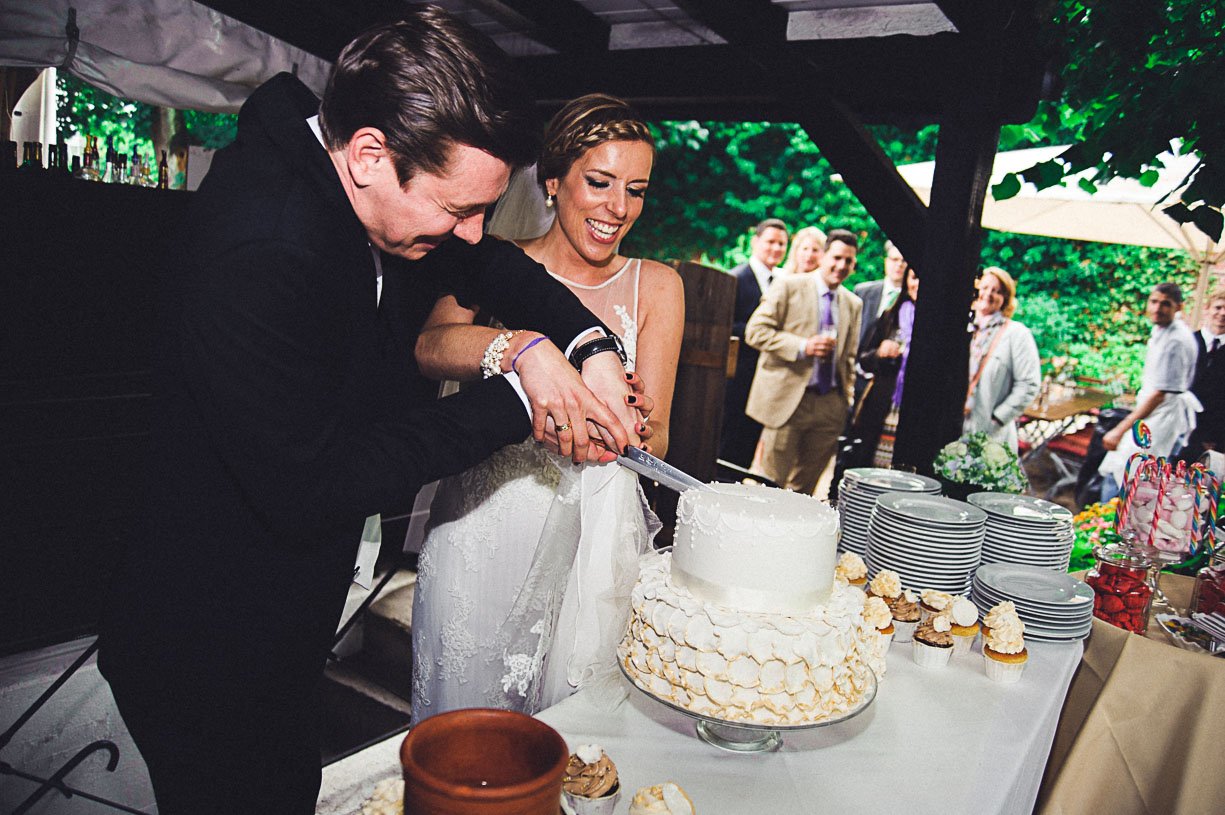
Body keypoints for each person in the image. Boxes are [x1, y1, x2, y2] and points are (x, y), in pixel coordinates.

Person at [96, 10, 638, 813]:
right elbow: (314, 479)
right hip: (204, 637)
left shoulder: (358, 182)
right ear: (368, 154)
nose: (472, 231)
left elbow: (491, 263)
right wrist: (521, 393)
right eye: (457, 209)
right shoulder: (262, 251)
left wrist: (585, 342)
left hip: (279, 618)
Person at [410, 94, 684, 721]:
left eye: (636, 190)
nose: (619, 208)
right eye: (600, 182)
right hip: (487, 518)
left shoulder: (659, 286)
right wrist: (519, 350)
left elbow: (660, 436)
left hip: (595, 530)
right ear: (554, 181)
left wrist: (630, 428)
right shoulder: (493, 260)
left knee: (574, 732)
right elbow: (429, 346)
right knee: (467, 723)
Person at [744, 229, 862, 495]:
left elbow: (850, 357)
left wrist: (846, 400)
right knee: (770, 486)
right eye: (837, 258)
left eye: (849, 261)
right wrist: (802, 346)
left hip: (830, 406)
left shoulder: (853, 303)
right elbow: (755, 331)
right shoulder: (789, 285)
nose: (841, 266)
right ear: (824, 256)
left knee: (804, 492)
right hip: (789, 401)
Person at [1099, 282, 1201, 499]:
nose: (1157, 308)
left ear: (1179, 307)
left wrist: (1120, 429)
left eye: (1166, 304)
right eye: (1154, 302)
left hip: (1162, 417)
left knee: (1125, 473)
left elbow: (1159, 394)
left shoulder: (1176, 339)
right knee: (1126, 473)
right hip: (1156, 413)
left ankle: (1107, 527)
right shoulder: (1162, 330)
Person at [719, 218, 789, 468]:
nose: (776, 248)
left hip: (766, 380)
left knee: (747, 449)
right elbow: (723, 325)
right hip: (737, 378)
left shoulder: (782, 282)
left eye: (782, 244)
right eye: (770, 242)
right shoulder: (735, 278)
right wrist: (760, 331)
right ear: (755, 242)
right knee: (728, 445)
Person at [842, 265, 920, 471]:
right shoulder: (891, 315)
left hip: (914, 409)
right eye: (913, 278)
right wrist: (880, 353)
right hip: (882, 405)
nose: (917, 284)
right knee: (869, 464)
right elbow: (864, 358)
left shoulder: (940, 325)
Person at [963, 266, 1041, 453]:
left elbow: (1029, 384)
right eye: (984, 287)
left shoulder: (1017, 334)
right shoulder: (961, 324)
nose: (988, 294)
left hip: (990, 437)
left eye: (997, 291)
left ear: (1005, 299)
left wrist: (996, 419)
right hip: (952, 428)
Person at [1179, 287, 1225, 463]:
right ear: (1207, 309)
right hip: (1179, 428)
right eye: (1218, 307)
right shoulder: (1188, 343)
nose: (1222, 314)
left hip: (1213, 438)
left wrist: (1216, 437)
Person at [853, 239, 908, 348]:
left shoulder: (911, 299)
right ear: (886, 261)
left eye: (904, 261)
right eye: (894, 259)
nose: (899, 265)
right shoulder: (863, 292)